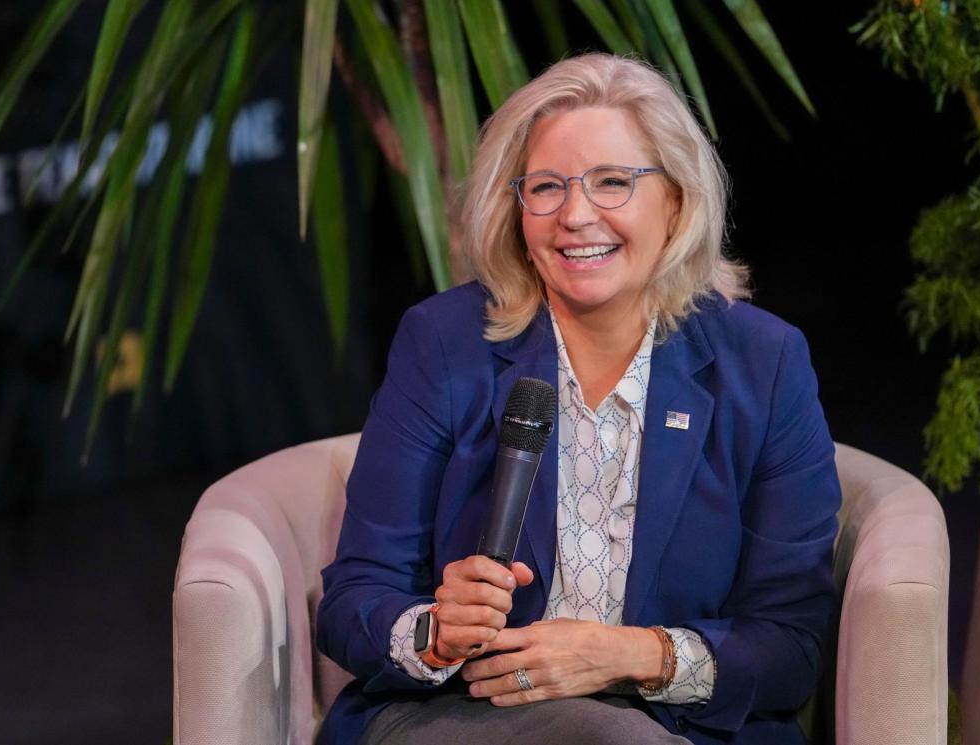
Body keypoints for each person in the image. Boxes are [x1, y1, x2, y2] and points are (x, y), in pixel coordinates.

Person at [316, 53, 841, 745]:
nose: (576, 215)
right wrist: (436, 631)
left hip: (677, 729)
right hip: (465, 719)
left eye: (613, 182)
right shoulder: (443, 343)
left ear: (677, 201)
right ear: (517, 207)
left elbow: (788, 649)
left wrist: (632, 656)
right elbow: (355, 596)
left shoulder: (764, 365)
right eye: (546, 188)